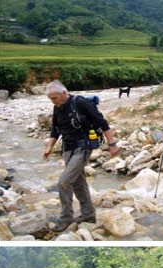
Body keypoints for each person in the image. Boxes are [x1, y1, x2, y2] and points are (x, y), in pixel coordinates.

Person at [43, 80, 120, 232]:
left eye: (55, 98)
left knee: (64, 182)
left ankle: (66, 217)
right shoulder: (57, 107)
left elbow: (102, 122)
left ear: (64, 93)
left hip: (83, 146)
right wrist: (49, 146)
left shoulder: (80, 103)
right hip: (67, 148)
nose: (53, 101)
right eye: (50, 99)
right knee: (78, 181)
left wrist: (112, 144)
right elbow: (55, 129)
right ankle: (88, 214)